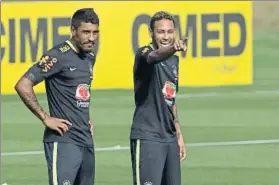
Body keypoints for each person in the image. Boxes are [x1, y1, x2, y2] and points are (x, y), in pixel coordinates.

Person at [14, 8, 99, 185]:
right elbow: (23, 85)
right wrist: (45, 117)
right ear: (73, 31)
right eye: (86, 32)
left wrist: (86, 120)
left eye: (95, 32)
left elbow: (78, 93)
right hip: (64, 141)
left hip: (85, 139)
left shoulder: (90, 56)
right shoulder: (57, 55)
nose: (91, 38)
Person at [130, 11, 188, 185]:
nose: (166, 36)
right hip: (148, 136)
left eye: (170, 32)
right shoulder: (144, 53)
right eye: (161, 32)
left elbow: (171, 100)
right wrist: (173, 48)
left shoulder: (173, 62)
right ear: (151, 33)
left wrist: (178, 134)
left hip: (169, 138)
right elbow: (154, 57)